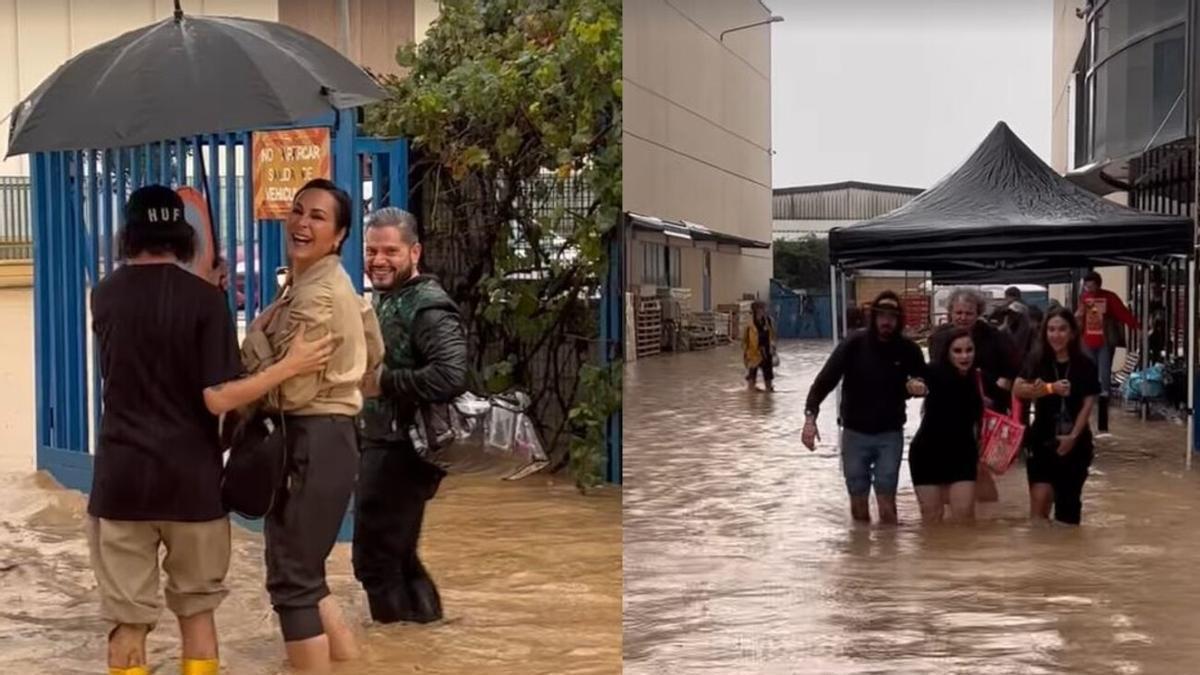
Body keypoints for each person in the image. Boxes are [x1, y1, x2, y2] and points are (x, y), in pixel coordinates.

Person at [87, 185, 333, 675]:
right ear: (183, 235)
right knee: (196, 613)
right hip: (191, 483)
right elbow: (218, 396)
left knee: (127, 622)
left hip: (120, 483)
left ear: (128, 235)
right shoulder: (204, 302)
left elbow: (145, 341)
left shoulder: (104, 296)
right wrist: (288, 366)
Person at [239, 179, 384, 672]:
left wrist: (249, 366)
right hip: (325, 436)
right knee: (304, 575)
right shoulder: (312, 284)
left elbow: (291, 391)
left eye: (318, 217)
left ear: (340, 234)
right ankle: (349, 663)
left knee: (292, 582)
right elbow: (374, 357)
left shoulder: (317, 295)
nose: (302, 223)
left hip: (313, 436)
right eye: (298, 211)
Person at [354, 207, 468, 624]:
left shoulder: (428, 305)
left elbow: (451, 375)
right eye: (371, 250)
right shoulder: (393, 298)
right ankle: (424, 640)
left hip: (403, 449)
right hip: (388, 444)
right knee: (399, 557)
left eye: (390, 251)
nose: (378, 260)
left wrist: (386, 383)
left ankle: (395, 649)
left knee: (375, 563)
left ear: (414, 252)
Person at [802, 291, 926, 524]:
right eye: (882, 316)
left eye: (892, 316)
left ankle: (888, 556)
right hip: (854, 433)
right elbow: (824, 382)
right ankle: (861, 554)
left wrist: (919, 386)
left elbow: (926, 381)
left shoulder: (908, 349)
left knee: (887, 502)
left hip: (890, 434)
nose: (886, 321)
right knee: (858, 505)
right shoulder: (853, 344)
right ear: (873, 317)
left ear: (900, 320)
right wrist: (810, 418)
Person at [1014, 306, 1100, 525]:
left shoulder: (1085, 364)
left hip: (1076, 443)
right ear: (1045, 332)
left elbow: (1088, 404)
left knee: (1068, 511)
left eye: (1062, 329)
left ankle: (1067, 557)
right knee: (1039, 506)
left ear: (1072, 332)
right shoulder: (1036, 360)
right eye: (1051, 329)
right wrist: (1050, 388)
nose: (1056, 335)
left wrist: (1073, 437)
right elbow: (1018, 389)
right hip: (1041, 439)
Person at [908, 327, 983, 523]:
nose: (965, 356)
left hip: (963, 454)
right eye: (957, 351)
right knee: (932, 519)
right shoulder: (934, 371)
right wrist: (914, 385)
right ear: (947, 353)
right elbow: (913, 378)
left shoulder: (977, 377)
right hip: (927, 454)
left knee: (965, 516)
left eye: (969, 350)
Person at [1076, 271, 1138, 435]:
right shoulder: (1083, 298)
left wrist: (1136, 326)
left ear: (1098, 284)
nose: (1088, 288)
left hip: (1104, 341)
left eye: (1091, 285)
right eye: (1086, 285)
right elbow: (1078, 318)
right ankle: (1089, 412)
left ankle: (1103, 418)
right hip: (1087, 341)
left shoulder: (1110, 297)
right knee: (1089, 373)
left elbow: (1122, 313)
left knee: (1104, 375)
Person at [743, 300, 778, 392]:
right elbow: (745, 338)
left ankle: (768, 390)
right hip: (753, 351)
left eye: (765, 308)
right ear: (757, 310)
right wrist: (745, 352)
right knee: (752, 373)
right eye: (763, 308)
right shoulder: (749, 323)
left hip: (767, 351)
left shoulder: (769, 320)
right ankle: (751, 391)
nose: (765, 310)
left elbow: (773, 335)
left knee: (768, 373)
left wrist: (773, 347)